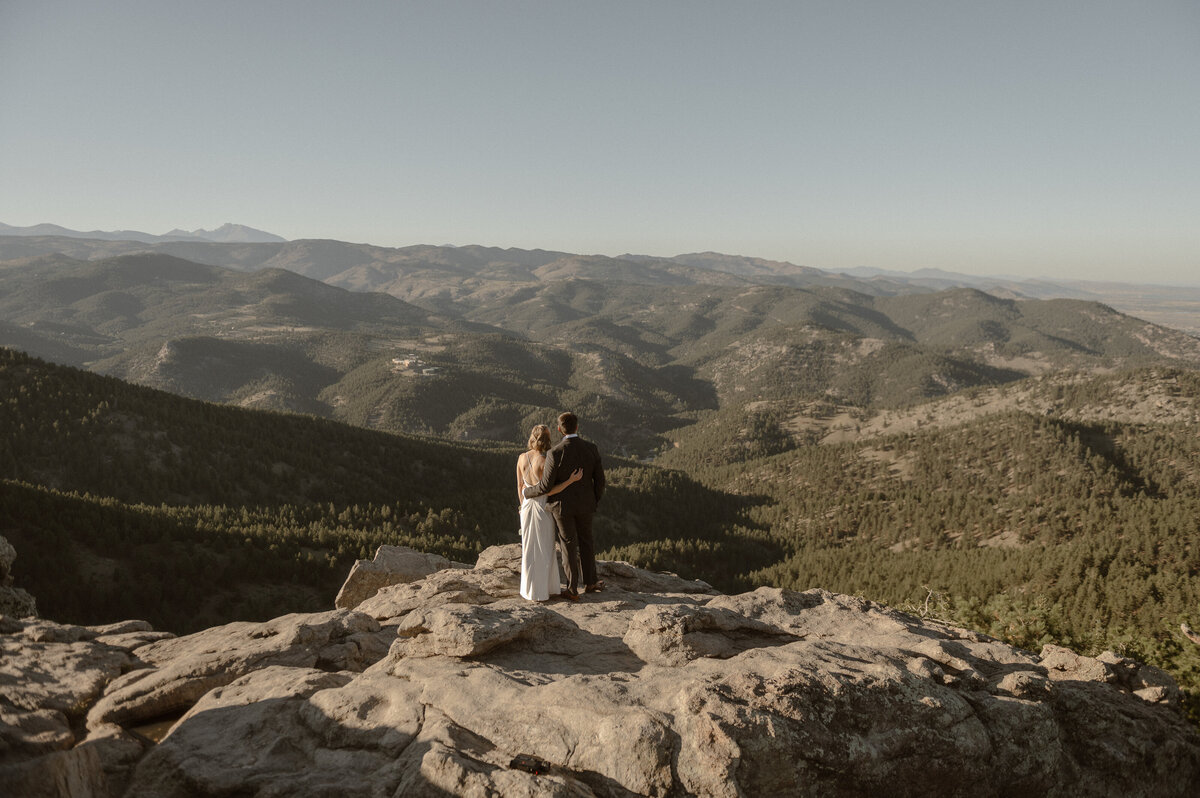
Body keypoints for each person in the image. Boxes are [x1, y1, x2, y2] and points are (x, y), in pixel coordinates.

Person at [522, 412, 605, 600]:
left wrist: (527, 493)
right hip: (586, 504)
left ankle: (572, 588)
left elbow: (545, 486)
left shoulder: (555, 453)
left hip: (562, 507)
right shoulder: (591, 448)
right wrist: (594, 500)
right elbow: (600, 481)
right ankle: (591, 582)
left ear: (559, 429)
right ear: (577, 427)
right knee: (586, 541)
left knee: (568, 544)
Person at [516, 424, 582, 602]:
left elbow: (520, 486)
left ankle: (529, 590)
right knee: (545, 549)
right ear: (546, 440)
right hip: (542, 507)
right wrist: (571, 480)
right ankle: (545, 589)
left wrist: (522, 506)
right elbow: (549, 490)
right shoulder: (545, 462)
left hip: (527, 506)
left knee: (529, 549)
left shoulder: (522, 458)